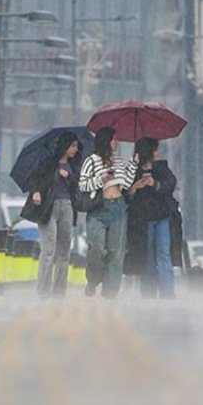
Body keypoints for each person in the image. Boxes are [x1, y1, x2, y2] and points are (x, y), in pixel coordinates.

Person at [22, 132, 81, 298]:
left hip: (67, 207)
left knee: (64, 252)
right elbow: (33, 179)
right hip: (49, 208)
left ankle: (59, 292)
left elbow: (78, 186)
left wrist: (69, 176)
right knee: (48, 250)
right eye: (73, 146)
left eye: (76, 146)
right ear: (65, 146)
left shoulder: (74, 165)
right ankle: (43, 291)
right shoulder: (47, 163)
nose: (75, 149)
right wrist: (36, 192)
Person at [78, 127, 135, 298]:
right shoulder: (91, 161)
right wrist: (100, 180)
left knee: (116, 252)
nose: (117, 142)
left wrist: (133, 163)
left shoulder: (118, 160)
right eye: (114, 139)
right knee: (97, 250)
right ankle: (93, 280)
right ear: (106, 141)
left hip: (118, 207)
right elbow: (82, 184)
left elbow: (126, 184)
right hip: (98, 208)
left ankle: (110, 293)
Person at [125, 138, 181, 299]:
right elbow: (125, 194)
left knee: (163, 254)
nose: (158, 153)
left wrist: (155, 183)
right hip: (142, 220)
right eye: (156, 149)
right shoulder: (132, 171)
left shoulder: (161, 168)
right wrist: (135, 187)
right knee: (147, 256)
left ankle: (167, 292)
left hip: (162, 217)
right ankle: (148, 292)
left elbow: (170, 184)